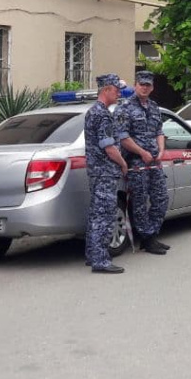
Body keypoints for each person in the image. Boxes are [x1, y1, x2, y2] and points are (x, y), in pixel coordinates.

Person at [114, 70, 170, 255]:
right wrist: (142, 152)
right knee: (139, 203)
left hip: (154, 162)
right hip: (136, 163)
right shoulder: (124, 107)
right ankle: (147, 238)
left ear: (152, 87)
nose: (144, 88)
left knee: (161, 198)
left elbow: (159, 131)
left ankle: (152, 234)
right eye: (141, 84)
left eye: (148, 85)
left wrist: (161, 150)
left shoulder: (153, 107)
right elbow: (123, 137)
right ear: (135, 85)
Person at [84, 74, 130, 274]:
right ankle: (100, 260)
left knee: (96, 214)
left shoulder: (92, 112)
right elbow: (109, 147)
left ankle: (92, 255)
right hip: (104, 172)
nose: (119, 94)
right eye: (117, 90)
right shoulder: (102, 114)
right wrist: (123, 163)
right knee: (104, 215)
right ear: (107, 90)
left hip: (97, 172)